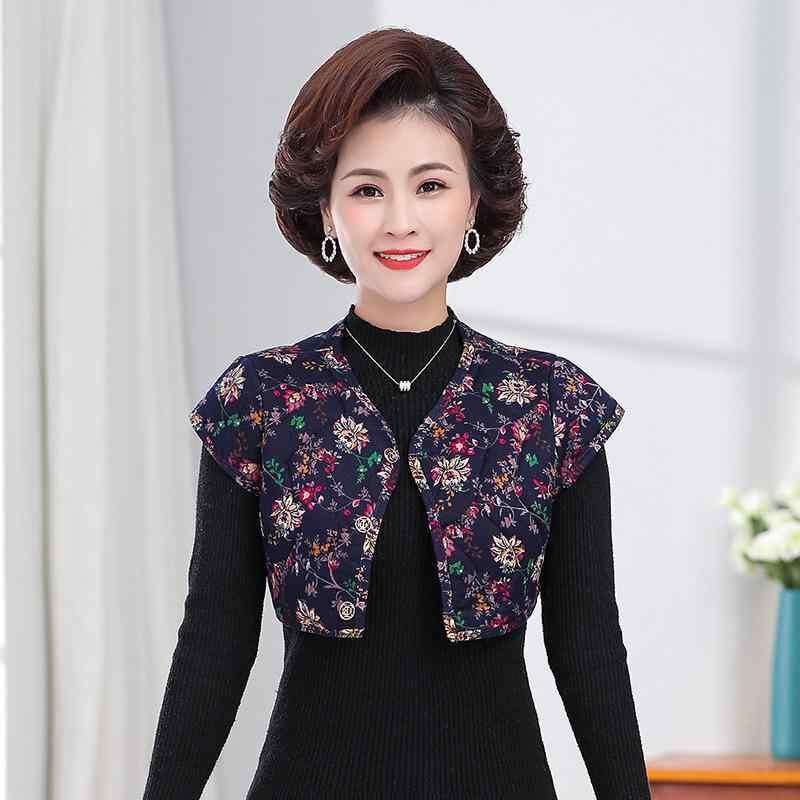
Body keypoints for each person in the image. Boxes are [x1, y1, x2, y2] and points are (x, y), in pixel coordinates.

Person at [143, 26, 651, 799]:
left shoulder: (553, 408)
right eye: (367, 189)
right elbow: (214, 642)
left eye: (430, 185)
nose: (400, 221)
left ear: (475, 198)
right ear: (326, 210)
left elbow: (589, 650)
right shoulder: (261, 402)